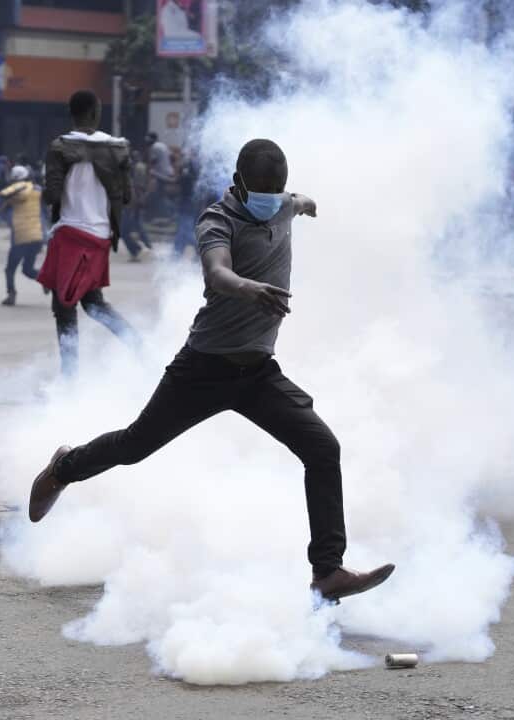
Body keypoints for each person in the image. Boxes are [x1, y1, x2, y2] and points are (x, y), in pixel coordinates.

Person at [27, 138, 395, 602]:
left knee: (323, 449)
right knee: (135, 445)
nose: (271, 199)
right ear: (239, 183)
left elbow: (298, 202)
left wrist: (307, 203)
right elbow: (217, 272)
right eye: (262, 190)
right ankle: (64, 467)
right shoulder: (217, 220)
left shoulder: (282, 205)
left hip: (258, 374)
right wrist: (247, 288)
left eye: (277, 190)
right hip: (202, 370)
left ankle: (328, 572)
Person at [37, 90, 139, 375]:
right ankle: (138, 345)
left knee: (64, 309)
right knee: (94, 304)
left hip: (70, 234)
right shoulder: (117, 148)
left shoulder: (60, 147)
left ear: (72, 113)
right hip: (99, 238)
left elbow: (51, 195)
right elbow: (128, 196)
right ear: (96, 112)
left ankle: (69, 378)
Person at [0, 165, 43, 306]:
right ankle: (48, 282)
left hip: (21, 237)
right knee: (28, 269)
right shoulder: (37, 191)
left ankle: (11, 294)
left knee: (10, 269)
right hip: (37, 236)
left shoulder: (12, 196)